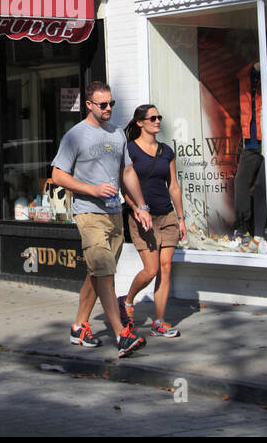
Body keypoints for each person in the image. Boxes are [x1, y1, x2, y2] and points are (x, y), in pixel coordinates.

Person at [51, 81, 151, 358]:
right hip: (88, 213)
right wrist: (91, 189)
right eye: (103, 104)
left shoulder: (117, 134)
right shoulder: (75, 136)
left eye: (111, 104)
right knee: (105, 274)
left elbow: (128, 172)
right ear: (89, 105)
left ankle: (80, 326)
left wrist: (141, 206)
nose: (108, 109)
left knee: (97, 274)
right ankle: (122, 335)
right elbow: (58, 175)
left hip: (114, 214)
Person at [120, 105, 186, 337]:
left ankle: (159, 321)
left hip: (166, 214)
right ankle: (127, 302)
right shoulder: (129, 150)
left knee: (166, 268)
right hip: (142, 217)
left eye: (159, 117)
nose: (158, 121)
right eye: (153, 118)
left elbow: (174, 186)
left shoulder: (166, 151)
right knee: (151, 269)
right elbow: (124, 186)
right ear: (140, 123)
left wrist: (180, 218)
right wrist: (136, 208)